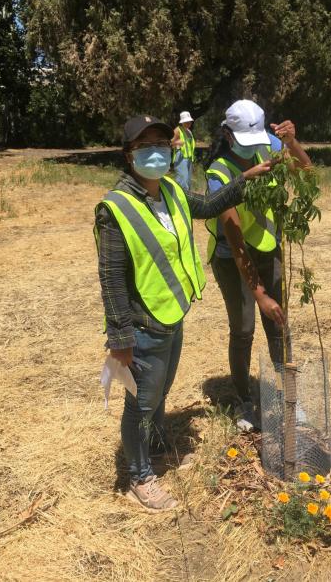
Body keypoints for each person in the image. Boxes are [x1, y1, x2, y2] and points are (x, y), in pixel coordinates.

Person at [94, 113, 271, 512]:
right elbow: (111, 280)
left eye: (161, 144)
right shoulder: (114, 208)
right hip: (142, 325)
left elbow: (208, 205)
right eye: (144, 147)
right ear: (128, 156)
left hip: (171, 313)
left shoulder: (171, 189)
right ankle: (140, 475)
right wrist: (120, 338)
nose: (156, 152)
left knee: (159, 394)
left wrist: (246, 179)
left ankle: (156, 450)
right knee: (140, 403)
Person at [205, 99, 312, 431]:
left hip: (269, 250)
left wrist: (292, 142)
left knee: (278, 324)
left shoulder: (266, 148)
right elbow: (235, 237)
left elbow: (307, 173)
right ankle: (244, 400)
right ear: (227, 134)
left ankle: (290, 396)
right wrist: (259, 294)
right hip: (231, 258)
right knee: (244, 329)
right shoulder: (218, 173)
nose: (253, 150)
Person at [172, 110, 196, 189]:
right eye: (186, 121)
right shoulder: (177, 130)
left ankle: (188, 200)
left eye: (189, 121)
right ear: (182, 122)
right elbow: (169, 143)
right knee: (182, 182)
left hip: (189, 159)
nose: (188, 123)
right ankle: (180, 200)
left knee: (188, 182)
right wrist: (177, 142)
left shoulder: (189, 131)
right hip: (180, 158)